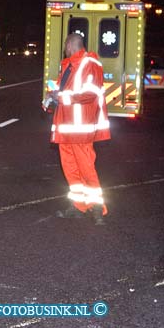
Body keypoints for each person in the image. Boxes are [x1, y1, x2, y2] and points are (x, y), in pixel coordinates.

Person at [46, 32, 110, 225]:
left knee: (86, 168)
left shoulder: (90, 63)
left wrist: (61, 97)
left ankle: (98, 207)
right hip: (65, 129)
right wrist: (50, 98)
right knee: (71, 169)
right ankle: (79, 205)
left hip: (80, 129)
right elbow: (62, 92)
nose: (64, 50)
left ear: (70, 45)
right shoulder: (68, 66)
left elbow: (89, 94)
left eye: (65, 46)